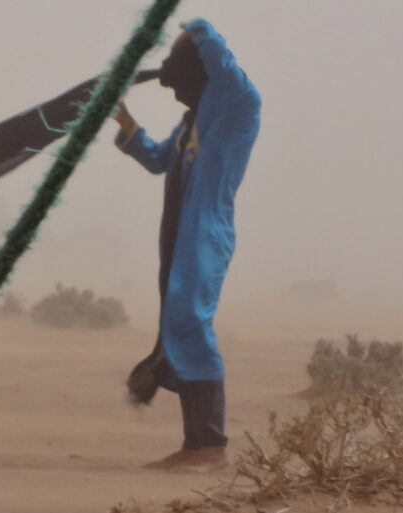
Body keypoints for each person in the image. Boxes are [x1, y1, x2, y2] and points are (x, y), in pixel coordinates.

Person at [112, 19, 261, 472]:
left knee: (192, 325)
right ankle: (193, 444)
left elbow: (220, 58)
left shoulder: (238, 101)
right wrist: (127, 125)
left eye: (178, 59)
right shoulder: (190, 121)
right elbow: (159, 160)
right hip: (179, 233)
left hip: (206, 233)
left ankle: (212, 445)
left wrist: (195, 29)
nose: (169, 71)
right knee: (178, 326)